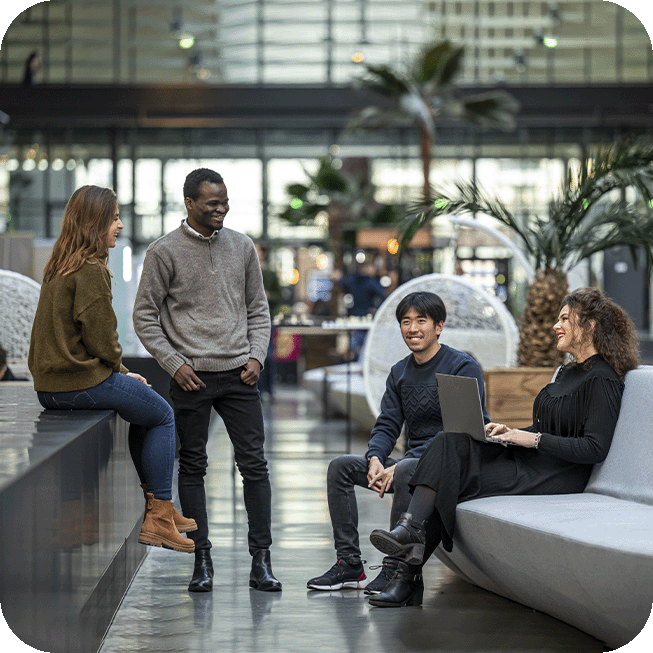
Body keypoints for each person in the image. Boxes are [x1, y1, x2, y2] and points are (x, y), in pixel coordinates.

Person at [368, 287, 639, 607]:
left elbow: (595, 448)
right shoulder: (568, 371)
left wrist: (533, 439)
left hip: (559, 473)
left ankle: (408, 573)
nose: (556, 325)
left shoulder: (603, 379)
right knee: (451, 438)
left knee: (450, 476)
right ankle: (410, 532)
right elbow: (546, 427)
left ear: (591, 325)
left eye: (565, 318)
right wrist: (511, 431)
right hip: (532, 459)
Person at [133, 168, 281, 593]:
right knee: (193, 466)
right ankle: (202, 561)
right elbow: (145, 315)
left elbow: (258, 309)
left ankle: (262, 561)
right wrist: (174, 362)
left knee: (254, 466)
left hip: (240, 375)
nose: (222, 209)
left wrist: (256, 355)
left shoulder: (242, 247)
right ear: (190, 204)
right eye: (212, 203)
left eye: (225, 201)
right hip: (191, 377)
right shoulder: (164, 252)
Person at [28, 185, 196, 555]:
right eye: (114, 218)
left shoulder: (60, 264)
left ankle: (134, 516)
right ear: (95, 223)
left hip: (51, 386)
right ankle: (159, 516)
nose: (119, 225)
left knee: (143, 411)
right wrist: (118, 370)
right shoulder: (90, 270)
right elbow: (103, 338)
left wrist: (118, 373)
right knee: (163, 414)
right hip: (80, 382)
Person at [307, 291, 489, 598]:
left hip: (447, 472)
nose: (413, 328)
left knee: (405, 468)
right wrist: (376, 458)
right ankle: (349, 564)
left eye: (422, 320)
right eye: (406, 321)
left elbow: (460, 434)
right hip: (411, 466)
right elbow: (388, 424)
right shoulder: (400, 372)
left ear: (439, 326)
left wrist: (404, 465)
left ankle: (393, 568)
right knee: (340, 467)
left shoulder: (461, 367)